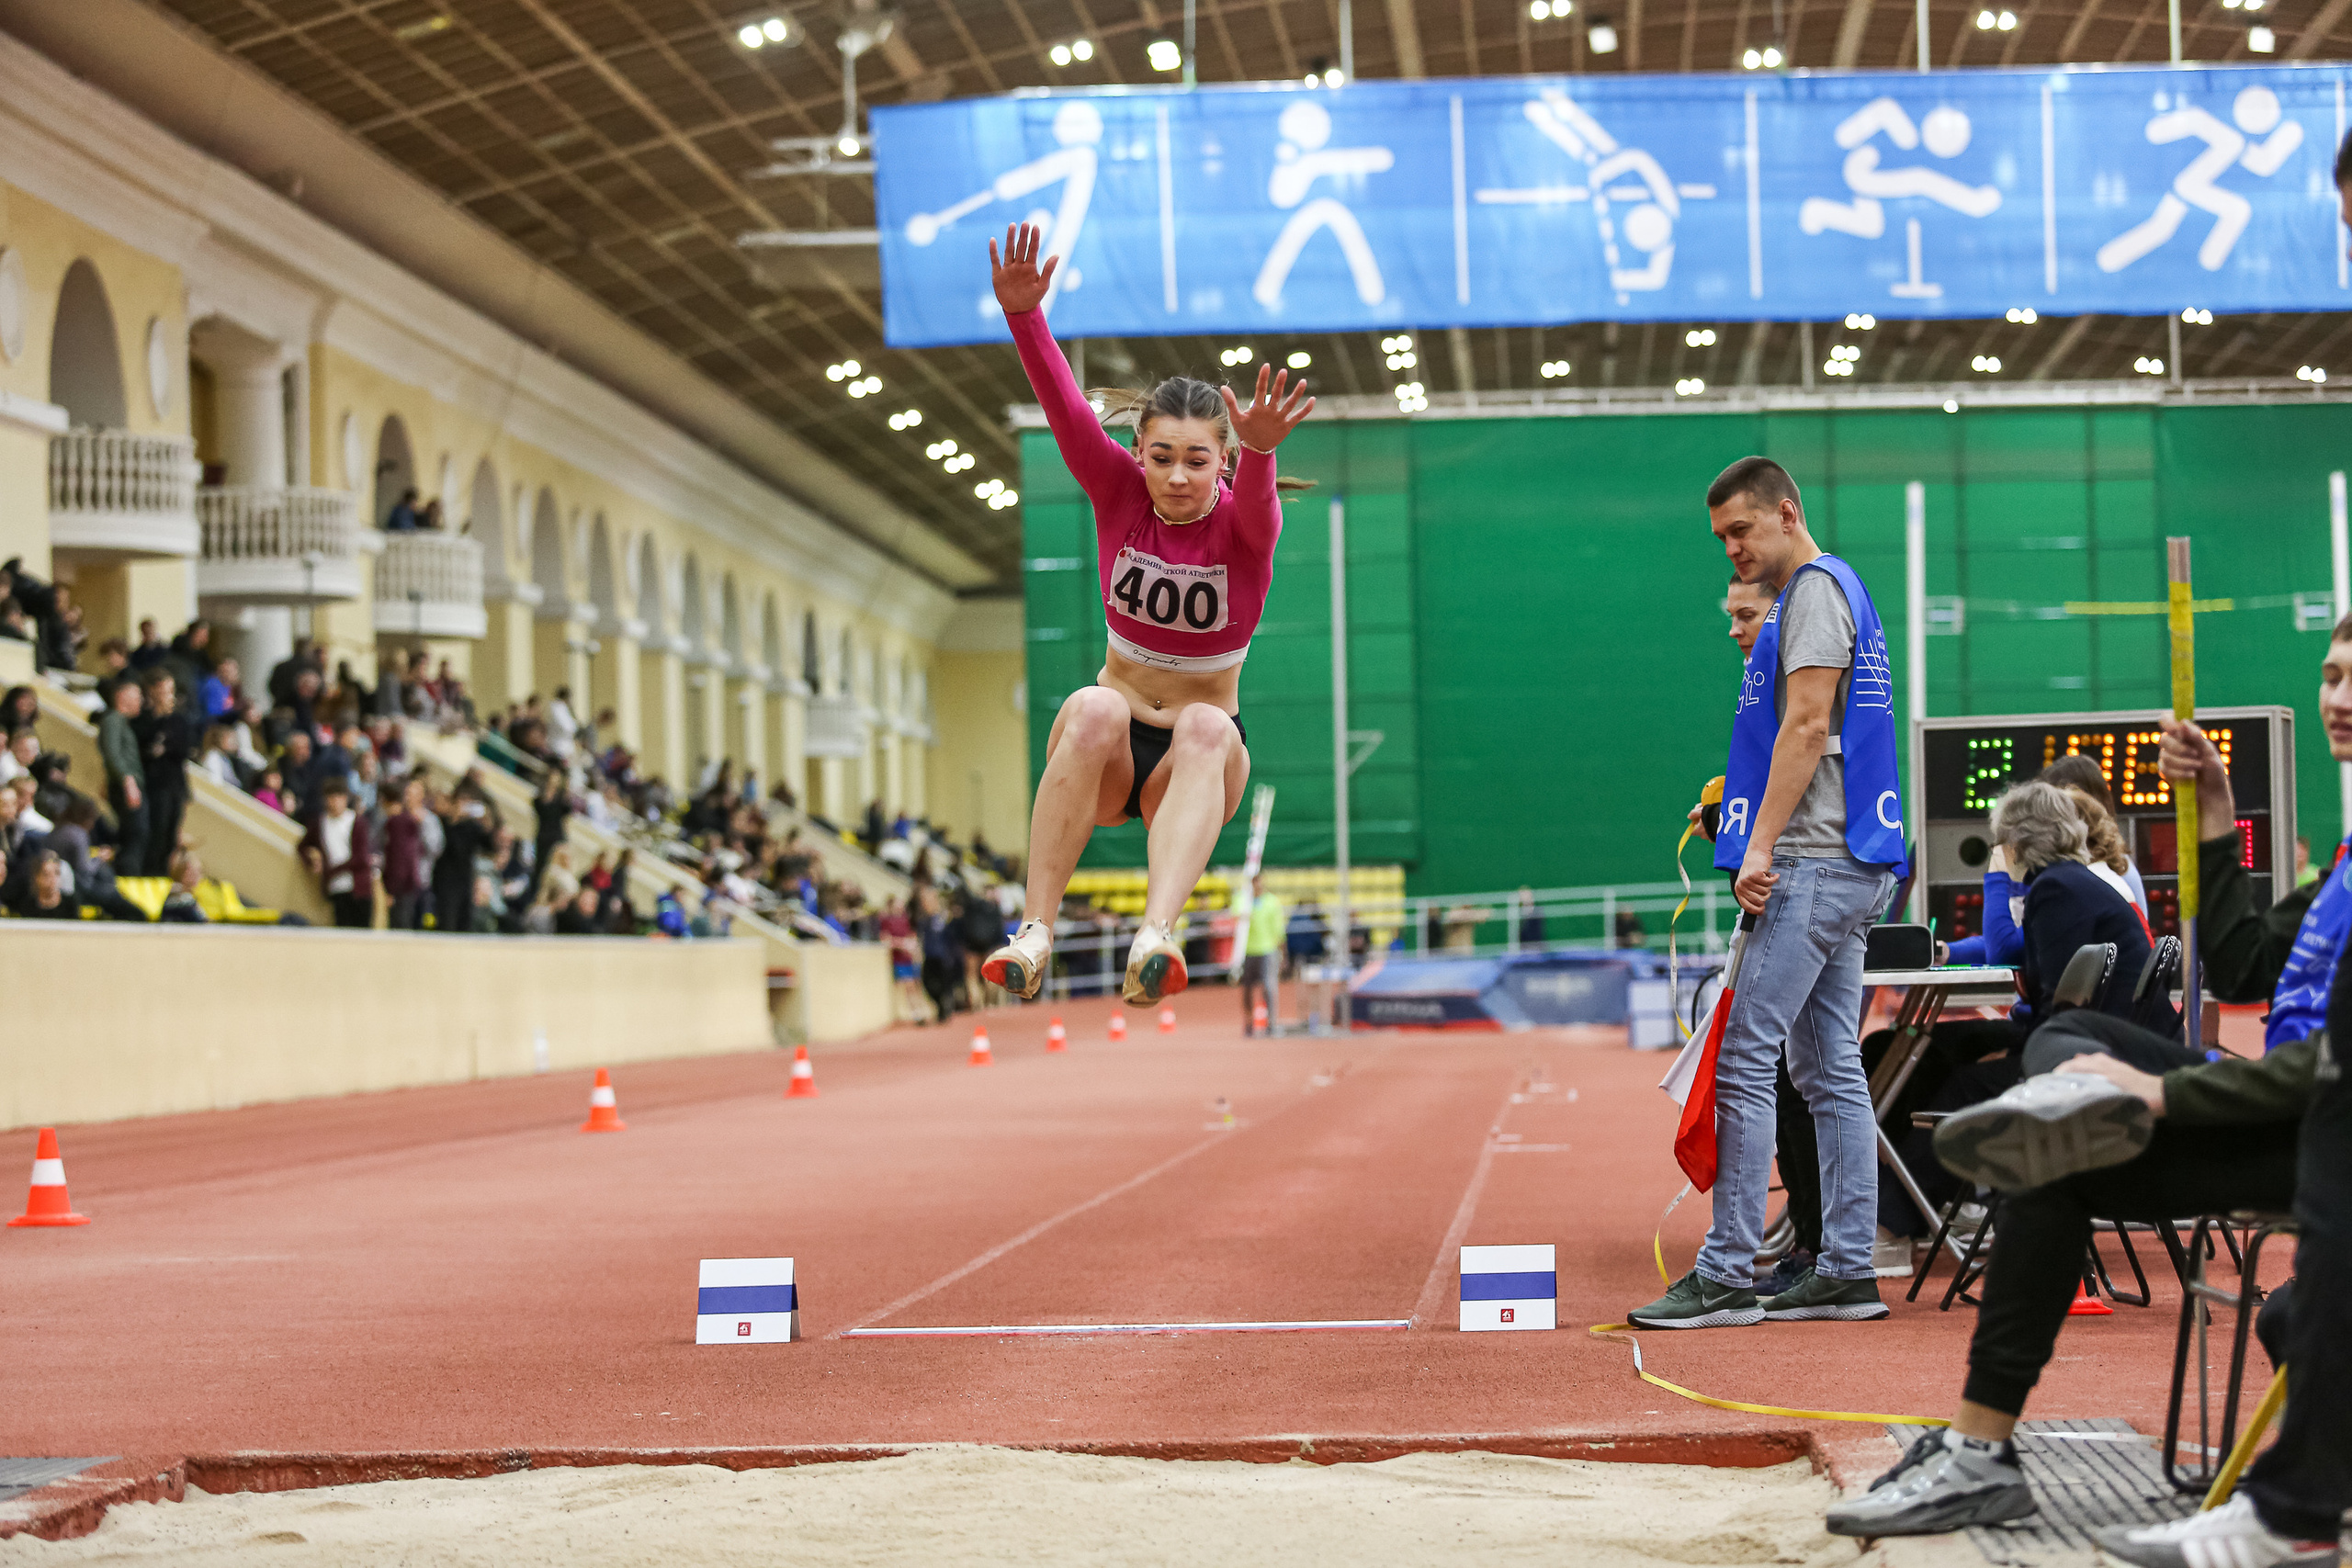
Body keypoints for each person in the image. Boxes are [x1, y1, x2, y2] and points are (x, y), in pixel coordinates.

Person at [1825, 606, 2352, 1558]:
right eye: (2329, 674)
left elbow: (2337, 1069)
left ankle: (2293, 1513)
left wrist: (2161, 1097)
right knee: (2053, 1116)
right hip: (2290, 1122)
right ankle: (1982, 1456)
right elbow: (2235, 965)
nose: (2339, 697)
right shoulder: (2346, 869)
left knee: (2060, 1103)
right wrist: (2218, 817)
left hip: (2331, 1133)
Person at [978, 220, 1316, 1007]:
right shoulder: (1117, 491)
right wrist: (1026, 317)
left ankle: (1155, 937)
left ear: (1222, 462)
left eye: (1198, 460)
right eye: (1161, 457)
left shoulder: (1245, 525)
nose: (1177, 476)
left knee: (1207, 724)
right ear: (1138, 453)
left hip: (1194, 768)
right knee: (1094, 703)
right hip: (1112, 753)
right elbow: (1064, 410)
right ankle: (1034, 931)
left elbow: (1261, 505)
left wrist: (1261, 452)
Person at [1632, 456, 1907, 1329]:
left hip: (1813, 863)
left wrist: (1758, 845)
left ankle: (1724, 1274)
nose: (1731, 552)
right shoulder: (1824, 593)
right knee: (1830, 1071)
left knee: (1750, 1055)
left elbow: (1809, 724)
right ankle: (1847, 1267)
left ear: (1787, 512)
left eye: (1741, 531)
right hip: (1848, 861)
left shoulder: (1817, 593)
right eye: (1721, 538)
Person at [134, 671, 192, 876]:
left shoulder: (178, 720)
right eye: (164, 690)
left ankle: (163, 874)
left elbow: (184, 750)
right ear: (153, 691)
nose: (168, 695)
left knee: (170, 834)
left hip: (174, 785)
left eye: (170, 691)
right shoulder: (144, 719)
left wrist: (164, 748)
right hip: (155, 785)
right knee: (156, 832)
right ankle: (151, 874)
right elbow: (142, 748)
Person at [301, 779, 375, 929]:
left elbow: (360, 858)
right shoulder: (320, 823)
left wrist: (330, 871)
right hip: (337, 889)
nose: (334, 802)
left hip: (359, 889)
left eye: (338, 798)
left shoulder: (357, 822)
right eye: (331, 798)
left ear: (345, 799)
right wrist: (311, 858)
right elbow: (302, 846)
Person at [96, 678, 148, 879]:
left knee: (134, 833)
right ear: (121, 696)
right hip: (126, 786)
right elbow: (112, 754)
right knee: (135, 833)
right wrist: (128, 781)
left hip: (124, 784)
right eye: (137, 696)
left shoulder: (119, 722)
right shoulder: (113, 720)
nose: (141, 701)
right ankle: (127, 878)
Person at [1240, 874, 1286, 1036]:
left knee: (1268, 986)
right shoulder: (1243, 900)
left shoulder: (1272, 902)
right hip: (1248, 950)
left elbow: (1279, 929)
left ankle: (1272, 1023)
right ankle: (1248, 1023)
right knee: (1247, 989)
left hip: (1268, 949)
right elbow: (1235, 916)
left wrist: (1282, 952)